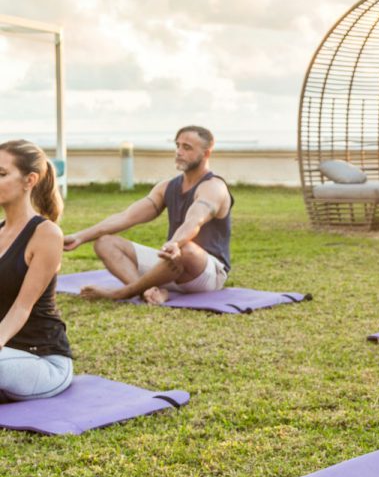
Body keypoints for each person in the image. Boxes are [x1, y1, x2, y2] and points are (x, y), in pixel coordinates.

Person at [64, 126, 233, 305]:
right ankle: (149, 291)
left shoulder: (214, 187)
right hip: (171, 265)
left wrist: (175, 243)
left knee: (187, 249)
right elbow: (126, 217)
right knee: (105, 242)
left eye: (187, 147)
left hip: (205, 272)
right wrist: (79, 237)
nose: (179, 152)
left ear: (206, 153)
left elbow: (194, 220)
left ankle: (123, 292)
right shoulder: (167, 187)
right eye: (178, 146)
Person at [0, 140, 73, 401]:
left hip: (43, 361)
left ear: (29, 180)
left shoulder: (46, 234)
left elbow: (22, 307)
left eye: (2, 174)